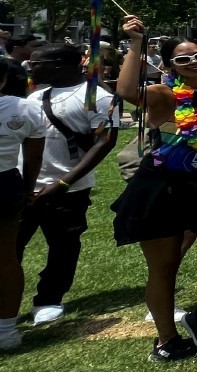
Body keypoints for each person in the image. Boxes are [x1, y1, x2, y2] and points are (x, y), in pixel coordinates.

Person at [110, 18, 197, 361]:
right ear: (169, 66)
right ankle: (166, 340)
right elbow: (126, 92)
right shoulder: (162, 94)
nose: (193, 62)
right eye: (183, 60)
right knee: (165, 265)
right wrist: (137, 43)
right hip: (162, 189)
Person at [19, 44, 118, 327]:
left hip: (67, 189)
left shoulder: (96, 97)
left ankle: (49, 298)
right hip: (27, 186)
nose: (30, 67)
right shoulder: (38, 96)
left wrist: (64, 182)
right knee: (12, 244)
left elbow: (105, 141)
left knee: (62, 245)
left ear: (60, 64)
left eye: (36, 63)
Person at [0, 59, 45, 351]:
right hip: (6, 183)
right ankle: (6, 330)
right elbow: (32, 157)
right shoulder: (25, 107)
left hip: (6, 184)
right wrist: (28, 189)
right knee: (5, 257)